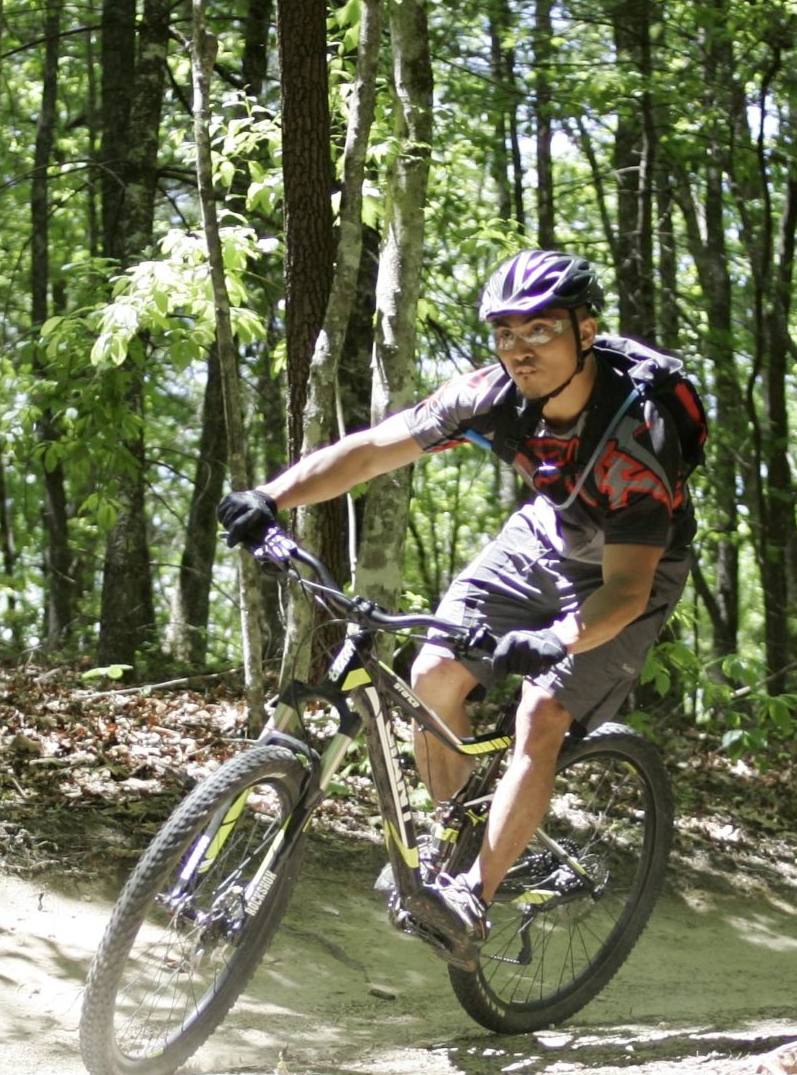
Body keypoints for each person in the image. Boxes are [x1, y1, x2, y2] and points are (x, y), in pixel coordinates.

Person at [216, 249, 698, 966]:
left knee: (542, 711)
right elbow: (374, 448)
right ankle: (462, 828)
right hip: (546, 531)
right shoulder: (492, 395)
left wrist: (558, 638)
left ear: (586, 332)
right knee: (436, 671)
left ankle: (474, 894)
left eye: (540, 331)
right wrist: (272, 496)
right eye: (506, 333)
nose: (519, 349)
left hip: (631, 568)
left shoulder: (635, 441)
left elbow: (626, 590)